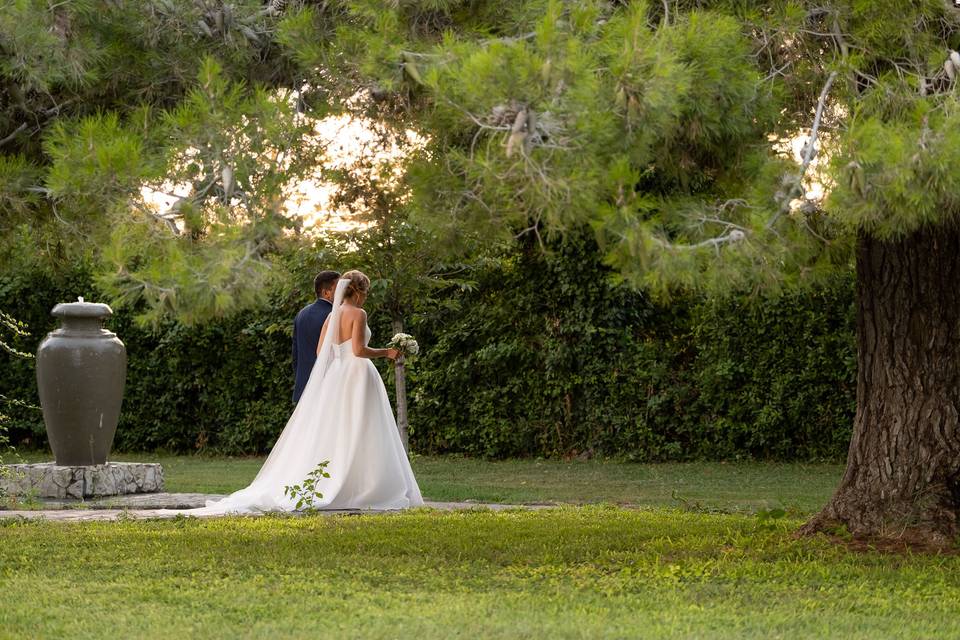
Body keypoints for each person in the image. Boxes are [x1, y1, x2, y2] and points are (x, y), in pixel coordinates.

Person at [181, 270, 423, 514]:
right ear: (359, 291)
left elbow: (321, 352)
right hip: (358, 374)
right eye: (366, 291)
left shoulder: (332, 316)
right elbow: (359, 350)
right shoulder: (359, 313)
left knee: (337, 430)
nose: (367, 297)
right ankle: (362, 485)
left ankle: (339, 480)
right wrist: (386, 352)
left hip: (337, 377)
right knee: (363, 427)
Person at [292, 270, 340, 404]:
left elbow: (295, 355)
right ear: (326, 292)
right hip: (327, 386)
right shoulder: (335, 315)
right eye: (339, 288)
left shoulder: (301, 314)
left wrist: (300, 379)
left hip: (303, 385)